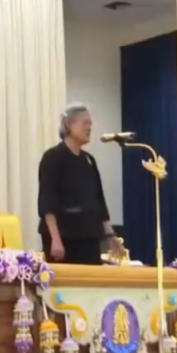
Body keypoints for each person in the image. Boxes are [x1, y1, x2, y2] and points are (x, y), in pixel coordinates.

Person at [36, 103, 121, 265]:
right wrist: (55, 239)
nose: (89, 128)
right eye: (85, 123)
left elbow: (99, 201)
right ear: (69, 124)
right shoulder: (52, 157)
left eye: (90, 124)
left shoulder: (89, 160)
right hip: (63, 238)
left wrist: (110, 234)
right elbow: (47, 202)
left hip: (89, 237)